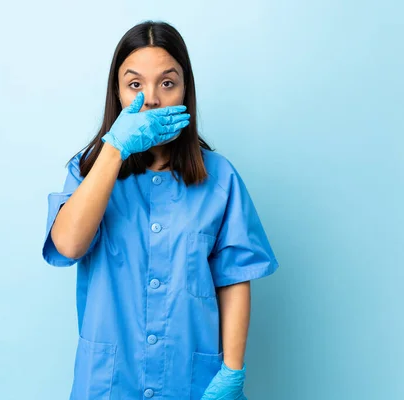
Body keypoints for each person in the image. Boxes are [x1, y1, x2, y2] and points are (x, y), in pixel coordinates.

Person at [42, 20, 279, 400]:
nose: (151, 99)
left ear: (186, 91)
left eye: (167, 83)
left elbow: (234, 278)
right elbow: (68, 245)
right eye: (135, 84)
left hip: (189, 378)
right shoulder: (88, 170)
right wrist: (115, 148)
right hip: (109, 381)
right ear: (117, 93)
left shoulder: (220, 179)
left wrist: (232, 371)